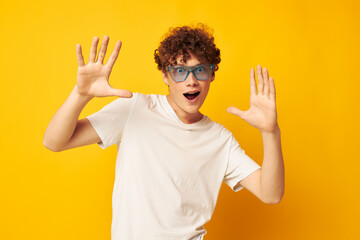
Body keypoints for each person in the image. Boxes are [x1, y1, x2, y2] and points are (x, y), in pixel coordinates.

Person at [43, 24, 284, 240]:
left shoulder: (219, 139)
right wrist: (81, 95)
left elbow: (270, 193)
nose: (191, 81)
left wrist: (270, 132)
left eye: (199, 70)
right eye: (180, 71)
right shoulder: (134, 108)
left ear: (211, 75)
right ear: (165, 76)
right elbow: (54, 142)